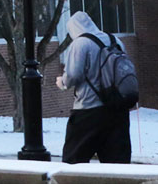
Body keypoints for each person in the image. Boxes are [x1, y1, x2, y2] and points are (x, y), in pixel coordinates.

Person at [55, 10, 132, 163]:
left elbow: (74, 74)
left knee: (74, 160)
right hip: (118, 109)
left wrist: (62, 82)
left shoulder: (81, 43)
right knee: (117, 164)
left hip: (88, 109)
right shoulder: (114, 40)